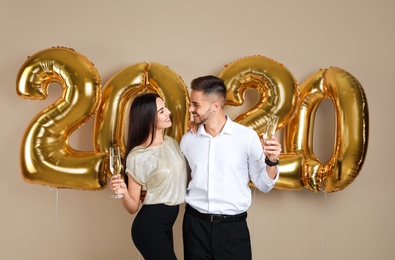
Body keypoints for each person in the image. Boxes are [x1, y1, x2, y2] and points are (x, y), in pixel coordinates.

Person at [180, 75, 282, 260]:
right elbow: (180, 182)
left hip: (232, 230)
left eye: (196, 105)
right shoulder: (188, 140)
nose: (190, 109)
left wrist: (272, 161)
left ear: (215, 106)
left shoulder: (247, 137)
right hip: (195, 227)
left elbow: (264, 185)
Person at [110, 93, 187, 260]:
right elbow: (132, 208)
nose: (168, 112)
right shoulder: (138, 156)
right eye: (161, 111)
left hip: (167, 222)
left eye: (165, 107)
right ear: (148, 118)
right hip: (150, 226)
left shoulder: (172, 143)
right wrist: (123, 192)